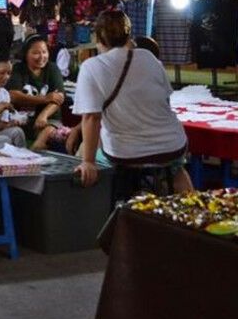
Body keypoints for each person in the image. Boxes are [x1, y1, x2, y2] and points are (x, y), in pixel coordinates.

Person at [73, 11, 193, 194]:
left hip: (125, 154)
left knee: (82, 156)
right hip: (172, 147)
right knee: (176, 169)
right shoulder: (149, 58)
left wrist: (88, 162)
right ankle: (192, 211)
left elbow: (91, 117)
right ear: (129, 35)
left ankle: (104, 213)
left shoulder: (92, 66)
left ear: (98, 38)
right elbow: (165, 101)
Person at [8, 35, 74, 152]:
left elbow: (58, 98)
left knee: (45, 134)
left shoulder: (52, 69)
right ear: (26, 54)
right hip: (23, 120)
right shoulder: (18, 69)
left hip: (48, 120)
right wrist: (45, 98)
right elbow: (13, 95)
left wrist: (44, 115)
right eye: (36, 53)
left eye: (44, 52)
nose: (42, 56)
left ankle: (31, 157)